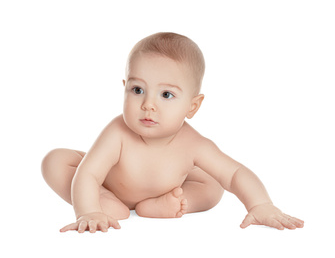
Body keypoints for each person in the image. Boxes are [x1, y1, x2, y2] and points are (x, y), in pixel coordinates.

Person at [41, 32, 304, 233]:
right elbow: (89, 172)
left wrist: (260, 205)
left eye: (166, 94)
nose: (148, 104)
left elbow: (234, 173)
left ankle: (172, 204)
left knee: (213, 184)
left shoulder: (194, 144)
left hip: (167, 190)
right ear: (124, 87)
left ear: (193, 106)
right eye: (137, 90)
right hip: (107, 184)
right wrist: (87, 211)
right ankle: (101, 202)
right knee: (54, 160)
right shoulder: (117, 132)